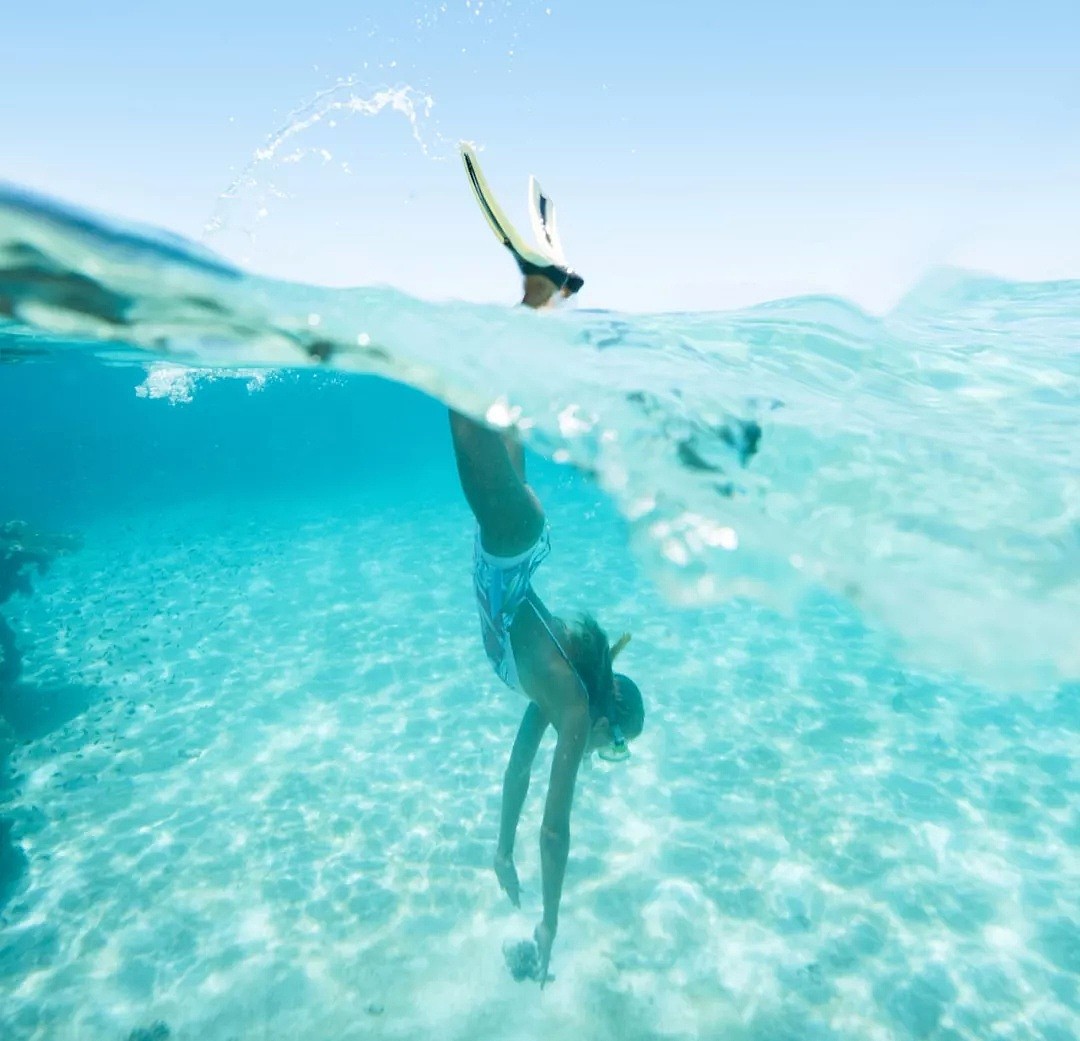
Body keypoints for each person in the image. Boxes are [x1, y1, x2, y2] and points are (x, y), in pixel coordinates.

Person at [451, 145, 645, 986]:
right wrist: (551, 935)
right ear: (604, 720)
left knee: (492, 402)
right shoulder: (572, 707)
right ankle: (539, 290)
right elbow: (557, 829)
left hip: (520, 552)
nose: (599, 753)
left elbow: (520, 771)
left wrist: (499, 849)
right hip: (508, 555)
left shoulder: (560, 698)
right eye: (611, 746)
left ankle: (544, 295)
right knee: (464, 401)